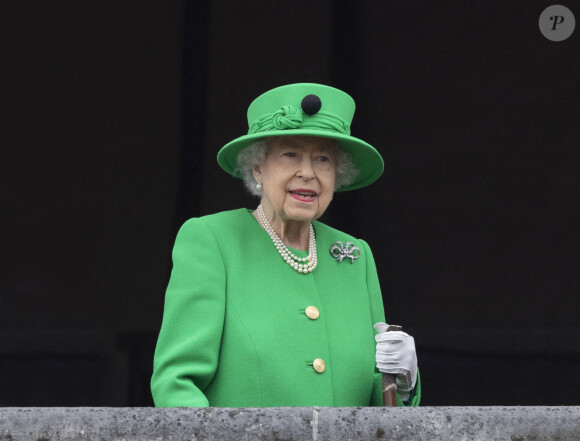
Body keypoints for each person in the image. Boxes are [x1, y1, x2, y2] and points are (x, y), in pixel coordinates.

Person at [151, 83, 420, 407]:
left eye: (322, 159)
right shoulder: (212, 240)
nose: (307, 173)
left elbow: (382, 411)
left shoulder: (354, 255)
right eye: (290, 154)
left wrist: (402, 383)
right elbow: (177, 384)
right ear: (258, 168)